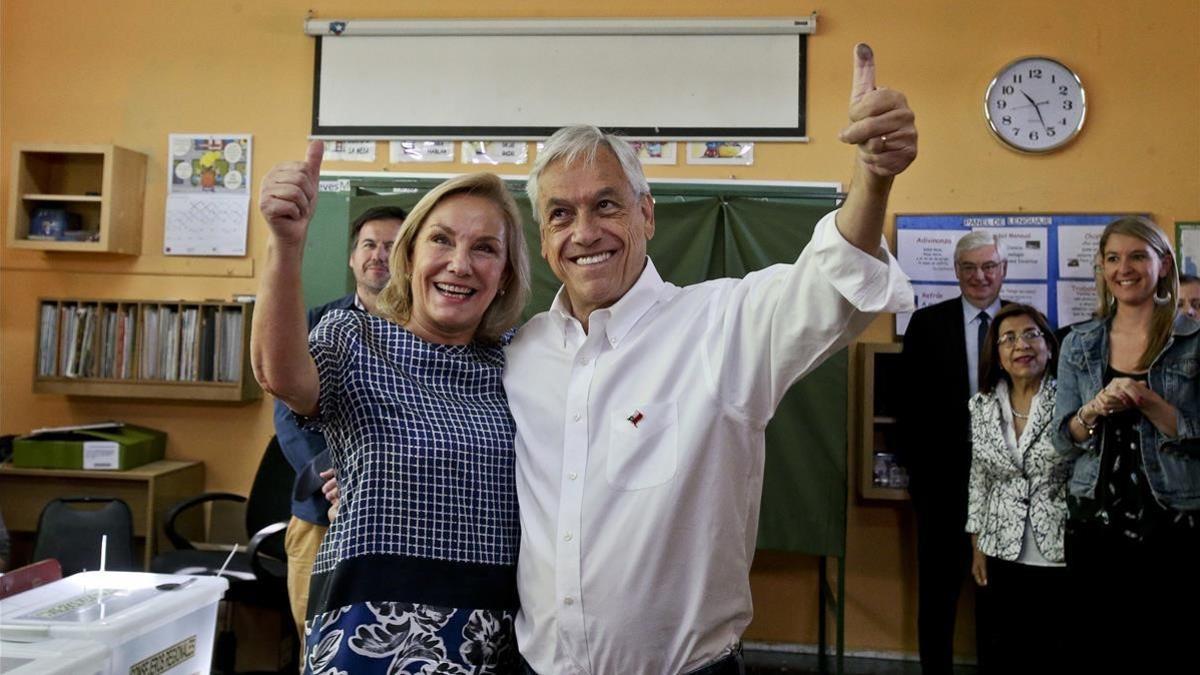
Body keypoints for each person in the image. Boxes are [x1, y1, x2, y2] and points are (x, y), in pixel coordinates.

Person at [504, 43, 917, 675]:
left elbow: (830, 286)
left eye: (606, 205)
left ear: (646, 214)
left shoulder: (723, 326)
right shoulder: (522, 352)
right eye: (560, 214)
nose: (583, 232)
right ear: (543, 236)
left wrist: (873, 177)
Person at [253, 143, 531, 675]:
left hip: (495, 635)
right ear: (408, 256)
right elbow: (280, 377)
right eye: (441, 241)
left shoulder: (522, 358)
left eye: (485, 249)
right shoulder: (355, 337)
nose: (459, 264)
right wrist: (286, 245)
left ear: (505, 273)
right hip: (369, 633)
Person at [1052, 216, 1200, 671]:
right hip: (1094, 518)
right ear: (1101, 267)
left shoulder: (1192, 341)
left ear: (1163, 264)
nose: (1124, 268)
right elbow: (1064, 439)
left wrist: (1153, 404)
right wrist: (1092, 412)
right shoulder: (1079, 342)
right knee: (1099, 646)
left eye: (1138, 256)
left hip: (1174, 518)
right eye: (1113, 258)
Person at [273, 204, 406, 649]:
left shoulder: (427, 331)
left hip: (397, 522)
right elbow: (290, 419)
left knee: (384, 645)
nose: (379, 255)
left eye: (392, 246)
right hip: (320, 515)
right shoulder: (314, 323)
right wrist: (340, 477)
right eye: (369, 245)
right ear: (352, 257)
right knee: (317, 643)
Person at [897, 230, 1007, 674]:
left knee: (998, 596)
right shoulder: (926, 324)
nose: (980, 276)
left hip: (1005, 485)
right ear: (956, 271)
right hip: (941, 485)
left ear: (1003, 270)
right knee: (938, 594)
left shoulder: (1025, 325)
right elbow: (906, 404)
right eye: (969, 267)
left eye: (989, 266)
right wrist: (918, 474)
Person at [965, 304, 1069, 674]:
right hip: (999, 547)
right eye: (1008, 339)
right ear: (997, 355)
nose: (1020, 345)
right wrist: (976, 544)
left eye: (1031, 334)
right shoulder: (981, 405)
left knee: (1051, 651)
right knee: (1000, 653)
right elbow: (980, 477)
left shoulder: (1071, 401)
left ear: (1050, 347)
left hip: (1058, 549)